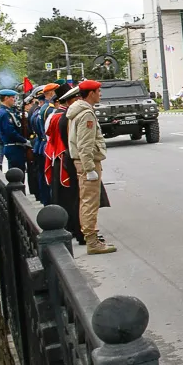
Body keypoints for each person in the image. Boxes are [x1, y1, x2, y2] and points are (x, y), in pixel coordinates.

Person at [66, 80, 115, 254]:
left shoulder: (79, 110)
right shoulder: (86, 114)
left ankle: (91, 238)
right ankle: (92, 242)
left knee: (87, 201)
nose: (100, 94)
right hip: (87, 163)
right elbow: (85, 144)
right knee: (89, 202)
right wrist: (89, 168)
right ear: (91, 93)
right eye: (98, 91)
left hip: (83, 162)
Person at [45, 84, 84, 247]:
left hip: (59, 158)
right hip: (66, 159)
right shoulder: (65, 117)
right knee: (73, 197)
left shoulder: (56, 115)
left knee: (66, 197)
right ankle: (77, 229)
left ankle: (72, 227)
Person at [0, 89, 29, 184]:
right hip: (13, 146)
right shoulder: (5, 113)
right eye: (12, 98)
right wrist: (24, 140)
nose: (14, 100)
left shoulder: (8, 111)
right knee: (17, 175)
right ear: (6, 98)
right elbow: (10, 132)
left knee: (19, 172)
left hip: (14, 146)